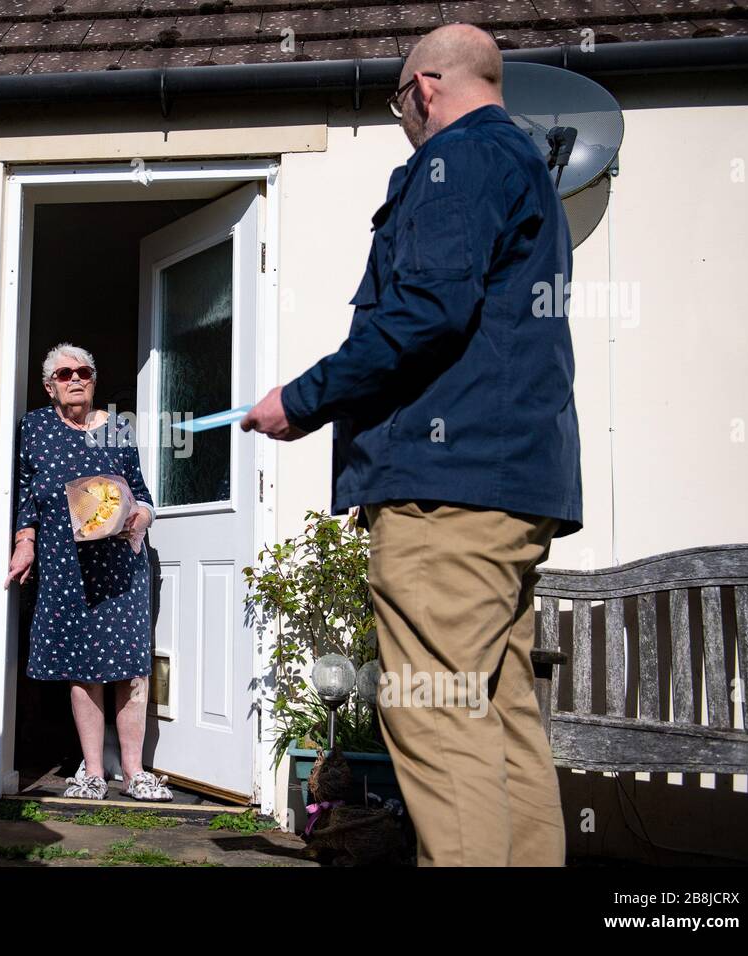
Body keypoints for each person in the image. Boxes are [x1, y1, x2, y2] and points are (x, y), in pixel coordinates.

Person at [241, 24, 581, 866]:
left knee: (435, 719)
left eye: (400, 105)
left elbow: (423, 313)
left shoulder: (454, 160)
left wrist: (301, 399)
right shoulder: (525, 165)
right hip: (507, 497)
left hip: (446, 498)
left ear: (424, 89)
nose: (404, 121)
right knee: (497, 721)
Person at [4, 343, 173, 801]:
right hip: (65, 563)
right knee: (83, 667)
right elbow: (25, 492)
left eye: (83, 371)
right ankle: (94, 773)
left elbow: (140, 490)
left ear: (93, 379)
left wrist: (142, 515)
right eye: (63, 374)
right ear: (49, 386)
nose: (74, 379)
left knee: (131, 669)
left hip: (119, 562)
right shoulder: (35, 427)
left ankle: (136, 773)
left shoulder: (117, 428)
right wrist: (25, 543)